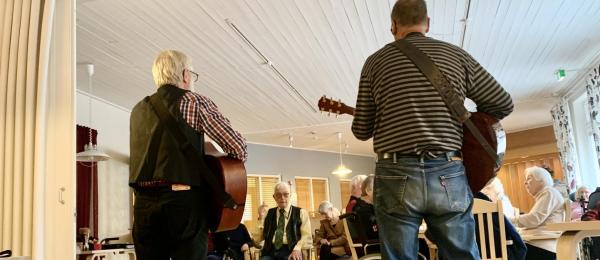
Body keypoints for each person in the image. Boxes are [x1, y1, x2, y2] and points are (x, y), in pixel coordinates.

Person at [351, 0, 513, 259]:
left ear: (393, 26)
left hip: (395, 173)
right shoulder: (455, 55)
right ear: (427, 24)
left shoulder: (375, 63)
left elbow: (361, 130)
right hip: (448, 170)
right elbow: (502, 103)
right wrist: (463, 119)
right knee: (462, 255)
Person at [129, 50, 247, 259]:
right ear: (185, 74)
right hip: (182, 203)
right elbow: (238, 147)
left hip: (142, 206)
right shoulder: (193, 101)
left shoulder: (138, 109)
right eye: (193, 74)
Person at [509, 166, 564, 260]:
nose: (525, 182)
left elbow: (534, 219)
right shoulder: (547, 193)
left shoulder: (549, 192)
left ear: (542, 180)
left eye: (529, 178)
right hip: (539, 243)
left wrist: (510, 220)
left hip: (542, 247)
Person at [257, 182, 311, 260]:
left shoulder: (301, 213)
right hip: (270, 251)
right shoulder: (268, 213)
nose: (282, 198)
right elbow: (258, 238)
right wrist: (261, 218)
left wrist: (297, 248)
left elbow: (307, 236)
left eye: (286, 194)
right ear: (274, 197)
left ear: (290, 195)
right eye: (278, 195)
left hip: (291, 250)